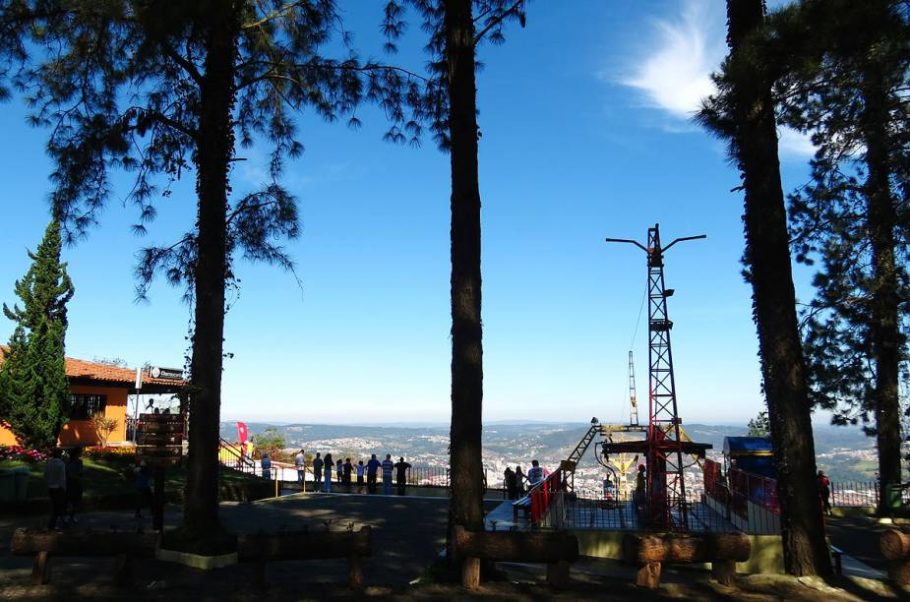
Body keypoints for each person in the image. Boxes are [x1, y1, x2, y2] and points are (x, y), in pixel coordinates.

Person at [45, 448, 67, 531]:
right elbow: (62, 477)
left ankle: (58, 522)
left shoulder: (49, 463)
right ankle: (53, 524)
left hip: (51, 487)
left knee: (55, 505)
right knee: (58, 507)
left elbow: (46, 475)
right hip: (59, 487)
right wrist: (64, 488)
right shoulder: (61, 464)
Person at [65, 447, 84, 523]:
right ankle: (68, 515)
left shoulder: (78, 462)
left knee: (75, 500)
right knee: (69, 500)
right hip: (71, 482)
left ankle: (71, 516)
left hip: (74, 482)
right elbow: (80, 473)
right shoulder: (69, 462)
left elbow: (80, 473)